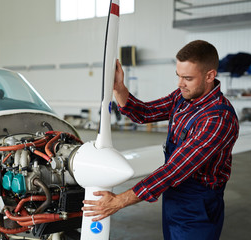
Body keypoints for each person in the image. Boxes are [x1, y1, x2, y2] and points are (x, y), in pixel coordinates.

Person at [82, 40, 239, 240]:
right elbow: (144, 113)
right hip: (174, 197)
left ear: (210, 76)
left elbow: (174, 170)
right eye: (179, 76)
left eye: (187, 78)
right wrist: (119, 87)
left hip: (198, 206)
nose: (180, 83)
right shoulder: (182, 97)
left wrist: (119, 201)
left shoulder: (217, 119)